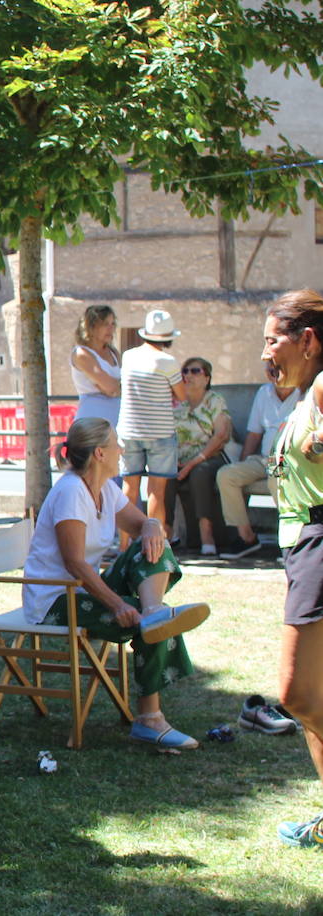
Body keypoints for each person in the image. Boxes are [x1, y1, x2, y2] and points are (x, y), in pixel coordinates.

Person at [25, 417, 210, 750]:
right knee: (145, 621)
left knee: (154, 545)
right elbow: (75, 563)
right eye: (116, 444)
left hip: (82, 590)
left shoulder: (106, 489)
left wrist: (153, 524)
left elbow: (142, 527)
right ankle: (149, 720)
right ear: (99, 453)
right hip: (55, 601)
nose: (122, 449)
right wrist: (119, 604)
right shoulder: (70, 492)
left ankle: (153, 611)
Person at [258, 288, 323, 849]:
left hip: (320, 545)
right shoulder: (304, 396)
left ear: (308, 340)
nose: (265, 354)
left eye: (272, 340)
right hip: (303, 547)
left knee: (297, 695)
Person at [218, 367, 300, 560]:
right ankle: (247, 538)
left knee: (276, 479)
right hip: (264, 458)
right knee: (227, 474)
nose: (276, 375)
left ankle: (290, 544)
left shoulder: (304, 393)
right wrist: (244, 461)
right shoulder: (264, 392)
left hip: (289, 459)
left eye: (280, 370)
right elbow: (254, 434)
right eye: (272, 371)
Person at [117, 310, 187, 534]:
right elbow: (182, 394)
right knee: (156, 491)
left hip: (129, 429)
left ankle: (124, 547)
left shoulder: (128, 356)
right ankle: (155, 544)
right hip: (160, 432)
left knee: (129, 489)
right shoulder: (168, 362)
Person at [164, 357, 233, 556]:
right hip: (179, 459)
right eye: (184, 371)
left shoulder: (215, 400)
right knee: (164, 475)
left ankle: (206, 534)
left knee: (199, 473)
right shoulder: (176, 402)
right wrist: (172, 457)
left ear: (207, 377)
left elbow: (220, 436)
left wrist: (192, 463)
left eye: (195, 371)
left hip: (209, 457)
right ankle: (165, 535)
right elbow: (166, 433)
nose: (188, 375)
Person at [71, 305, 121, 424]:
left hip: (116, 420)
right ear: (91, 327)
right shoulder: (81, 354)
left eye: (112, 324)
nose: (111, 328)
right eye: (105, 324)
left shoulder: (113, 352)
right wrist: (113, 387)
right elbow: (111, 387)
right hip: (92, 420)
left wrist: (112, 388)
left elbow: (113, 388)